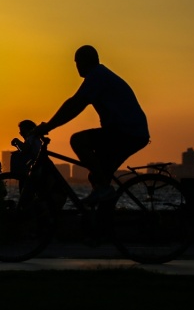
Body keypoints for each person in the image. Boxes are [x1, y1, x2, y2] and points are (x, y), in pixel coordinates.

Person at [33, 45, 150, 205]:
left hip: (126, 132)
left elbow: (75, 104)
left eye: (77, 62)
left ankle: (103, 191)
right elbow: (75, 103)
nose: (76, 67)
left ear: (85, 61)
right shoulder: (99, 75)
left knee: (78, 141)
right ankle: (103, 219)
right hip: (131, 132)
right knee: (97, 176)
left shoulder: (97, 76)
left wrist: (49, 126)